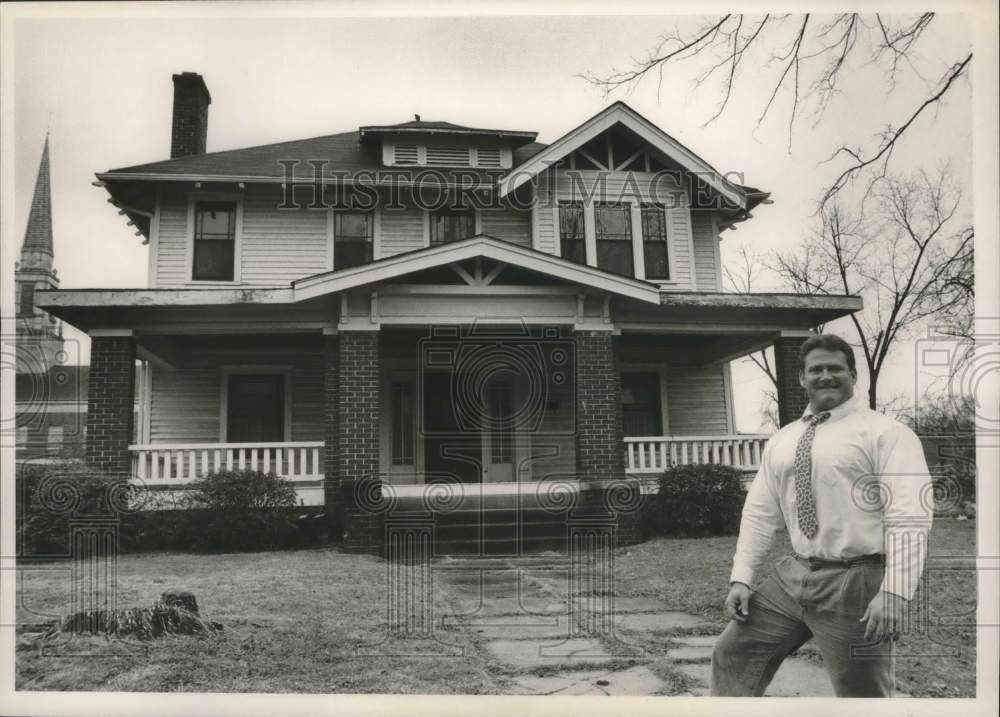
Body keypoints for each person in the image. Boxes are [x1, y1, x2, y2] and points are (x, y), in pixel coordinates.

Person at [711, 333, 932, 697]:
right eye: (816, 369)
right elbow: (759, 513)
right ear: (802, 378)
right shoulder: (782, 439)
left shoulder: (886, 434)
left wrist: (895, 592)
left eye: (835, 368)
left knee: (862, 693)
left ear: (853, 375)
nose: (825, 376)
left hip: (856, 579)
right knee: (733, 653)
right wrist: (741, 578)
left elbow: (910, 515)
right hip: (795, 574)